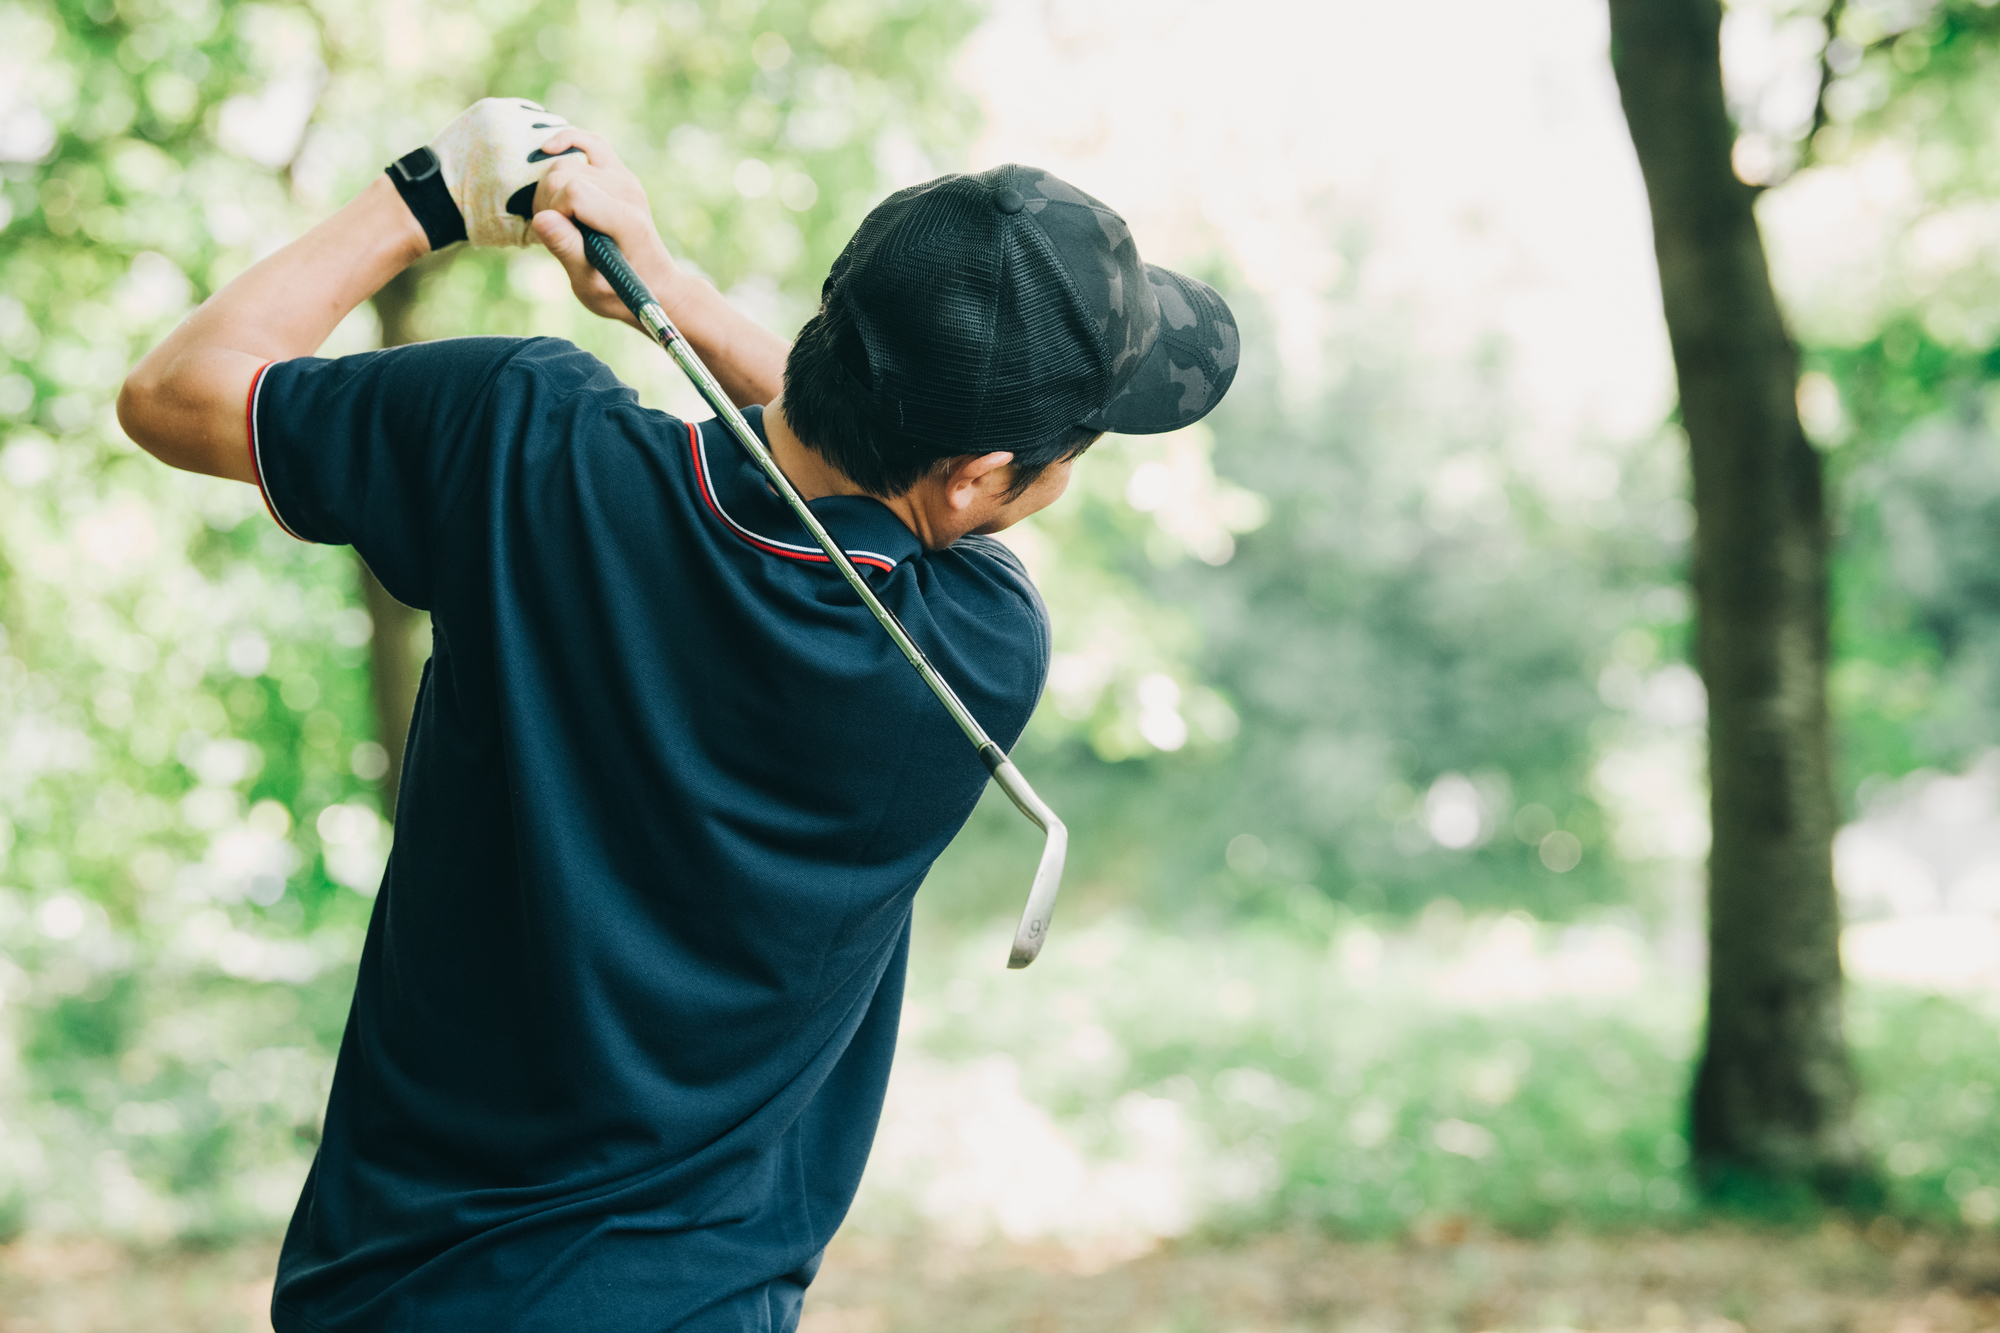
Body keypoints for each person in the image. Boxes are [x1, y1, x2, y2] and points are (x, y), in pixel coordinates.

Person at [118, 99, 1238, 1332]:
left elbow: (174, 392)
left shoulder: (515, 439)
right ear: (983, 479)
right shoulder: (974, 650)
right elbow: (885, 482)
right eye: (1071, 446)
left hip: (393, 1292)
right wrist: (682, 296)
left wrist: (428, 197)